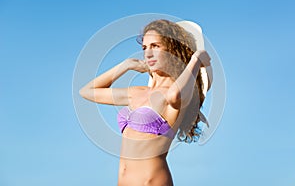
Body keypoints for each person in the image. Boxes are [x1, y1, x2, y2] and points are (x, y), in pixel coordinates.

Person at [79, 19, 211, 186]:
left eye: (155, 46)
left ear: (172, 50)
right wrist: (125, 65)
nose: (148, 53)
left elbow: (174, 95)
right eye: (144, 48)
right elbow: (87, 92)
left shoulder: (173, 96)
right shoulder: (137, 92)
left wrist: (195, 59)